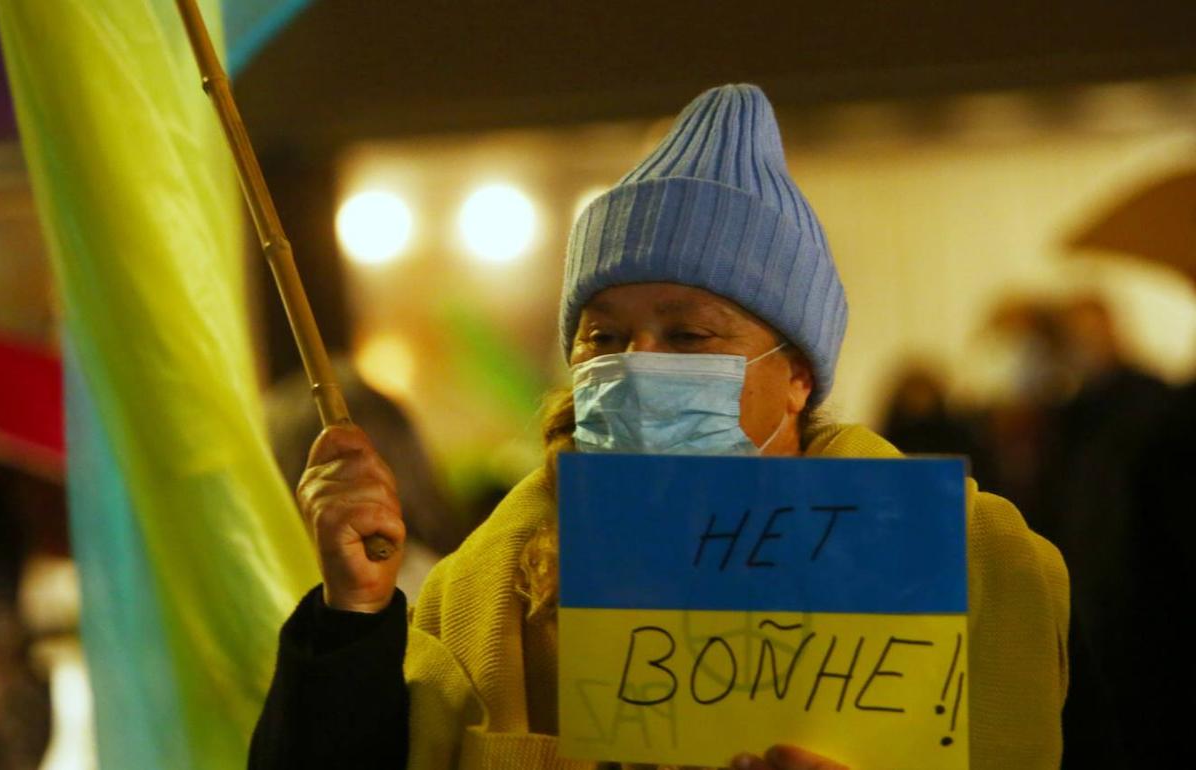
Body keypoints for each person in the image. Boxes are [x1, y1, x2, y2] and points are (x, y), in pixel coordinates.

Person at [249, 85, 1069, 770]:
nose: (637, 363)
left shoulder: (981, 567)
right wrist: (350, 616)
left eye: (689, 335)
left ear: (796, 377)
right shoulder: (478, 597)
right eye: (602, 338)